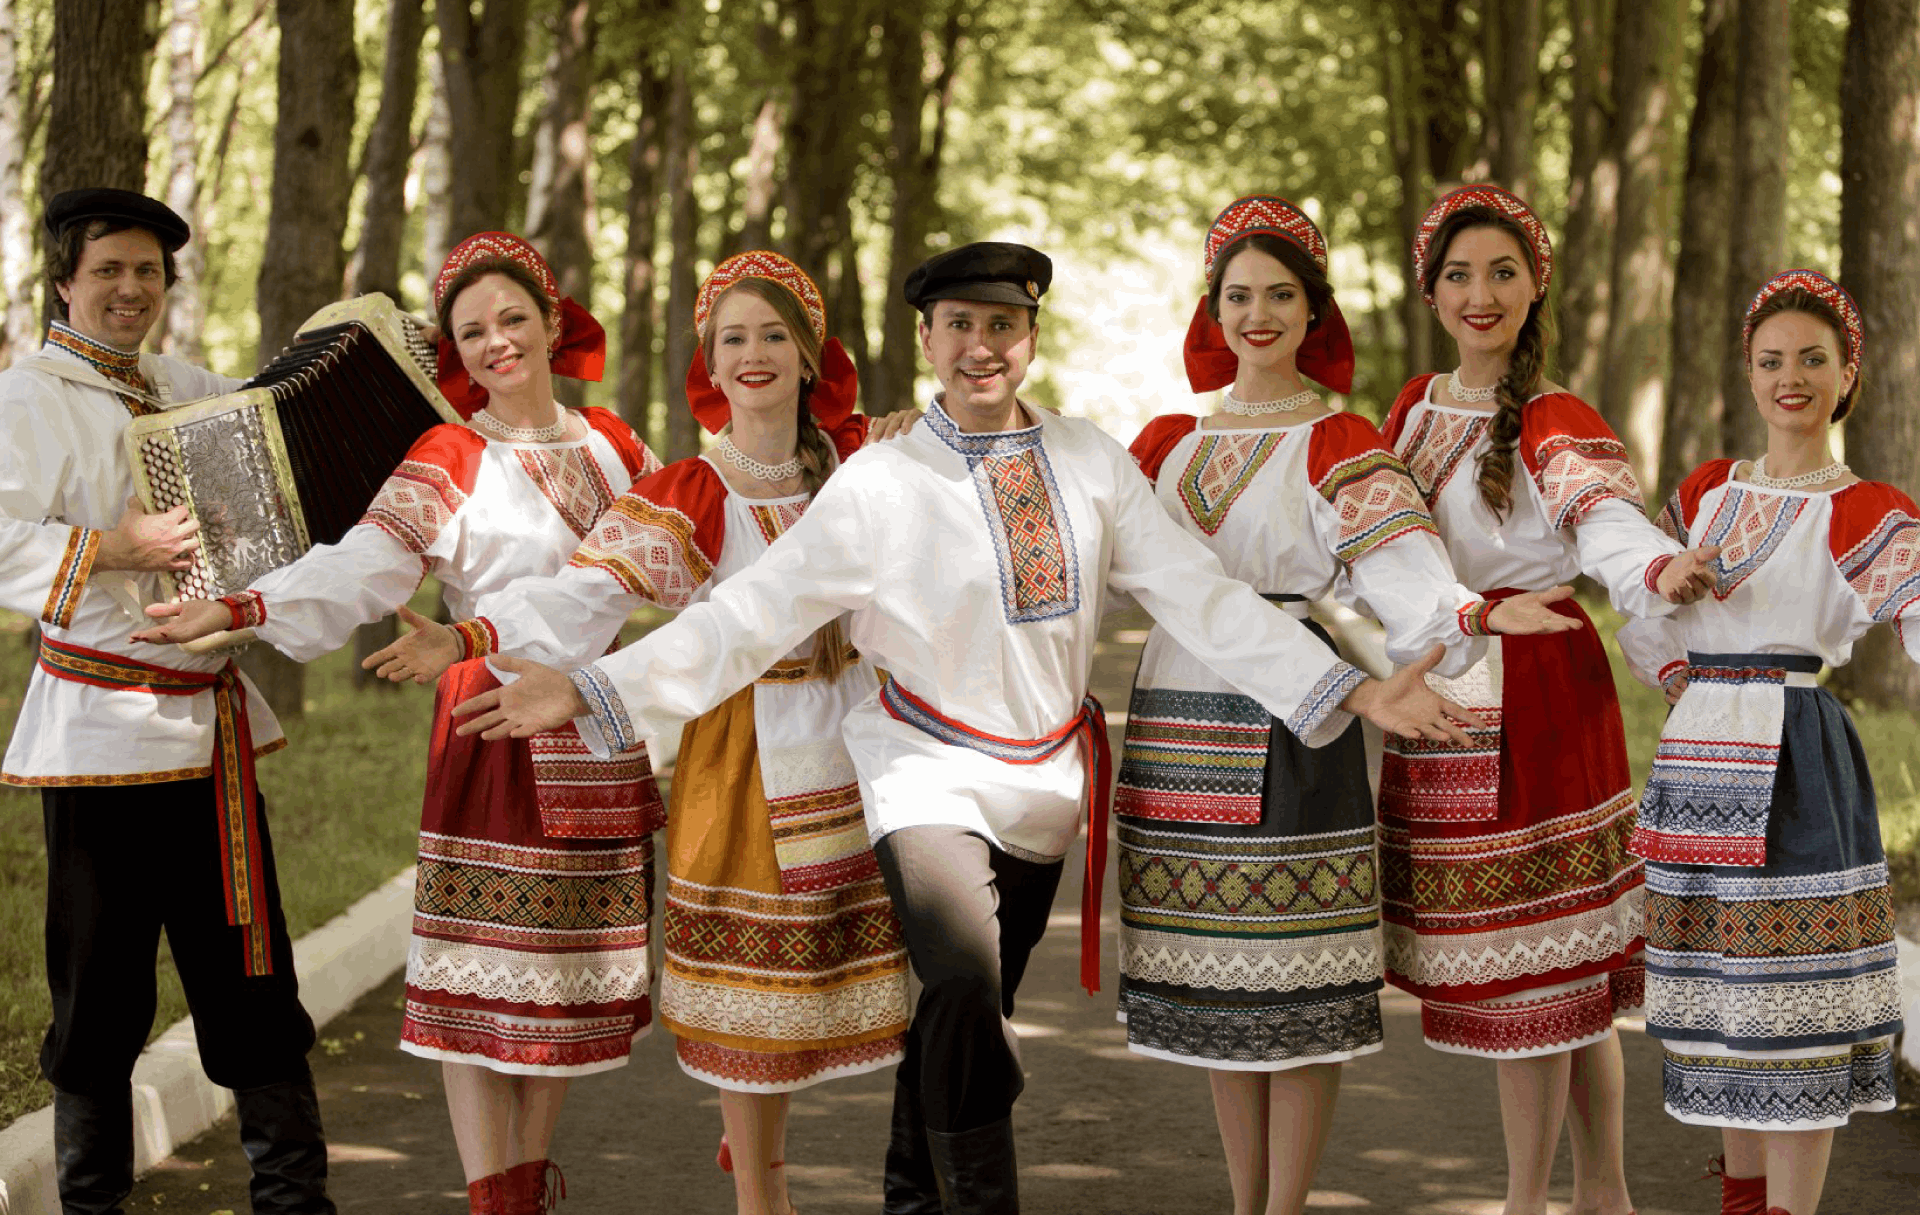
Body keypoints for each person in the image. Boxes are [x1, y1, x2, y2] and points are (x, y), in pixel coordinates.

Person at [445, 240, 1492, 1215]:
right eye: (959, 325)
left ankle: (914, 1196)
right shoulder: (879, 479)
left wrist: (1356, 692)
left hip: (1044, 785)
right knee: (959, 982)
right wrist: (589, 689)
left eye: (1002, 325)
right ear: (927, 340)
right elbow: (748, 615)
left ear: (1030, 338)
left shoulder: (1091, 461)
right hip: (921, 771)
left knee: (965, 1020)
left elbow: (1201, 596)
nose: (980, 346)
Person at [362, 251, 915, 1215]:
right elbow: (585, 593)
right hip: (744, 748)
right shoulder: (691, 488)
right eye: (732, 337)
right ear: (709, 360)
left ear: (811, 354)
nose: (753, 353)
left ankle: (764, 1159)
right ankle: (761, 1196)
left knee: (822, 982)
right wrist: (467, 635)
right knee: (749, 994)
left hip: (856, 742)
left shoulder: (863, 465)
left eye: (773, 334)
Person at [135, 231, 664, 1215]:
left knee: (560, 989)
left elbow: (665, 558)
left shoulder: (617, 446)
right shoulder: (449, 452)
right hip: (491, 725)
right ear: (455, 351)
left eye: (513, 318)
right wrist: (243, 606)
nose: (498, 342)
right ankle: (494, 1197)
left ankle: (525, 1187)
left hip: (593, 725)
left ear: (553, 322)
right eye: (473, 331)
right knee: (480, 991)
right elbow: (367, 561)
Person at [1119, 195, 1585, 1215]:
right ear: (1212, 310)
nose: (1259, 315)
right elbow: (1082, 546)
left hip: (1296, 717)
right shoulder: (1161, 443)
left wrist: (1474, 614)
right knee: (1216, 991)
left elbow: (1402, 565)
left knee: (1292, 985)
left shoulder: (1340, 439)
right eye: (1240, 296)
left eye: (1282, 295)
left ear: (1313, 311)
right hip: (1175, 717)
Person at [1375, 184, 1720, 1215]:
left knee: (1540, 975)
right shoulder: (1412, 408)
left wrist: (1656, 569)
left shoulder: (1555, 415)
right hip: (1451, 681)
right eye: (1459, 275)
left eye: (1502, 272)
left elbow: (1602, 519)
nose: (1480, 294)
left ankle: (1535, 1201)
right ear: (1431, 291)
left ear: (1535, 288)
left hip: (1540, 686)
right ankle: (1603, 1193)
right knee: (1552, 974)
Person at [0, 188, 335, 1214]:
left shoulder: (187, 386)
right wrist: (115, 547)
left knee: (252, 977)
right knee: (99, 994)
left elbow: (281, 453)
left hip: (210, 731)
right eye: (108, 269)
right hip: (98, 741)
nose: (130, 288)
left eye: (147, 271)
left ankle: (297, 1206)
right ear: (65, 282)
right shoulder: (26, 398)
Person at [1617, 270, 1910, 1215]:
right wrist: (1682, 641)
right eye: (1773, 359)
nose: (1792, 378)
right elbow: (1641, 620)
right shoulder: (1706, 490)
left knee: (1795, 1017)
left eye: (1813, 360)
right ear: (1748, 372)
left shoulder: (1865, 508)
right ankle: (1744, 1204)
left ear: (1847, 375)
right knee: (1727, 1009)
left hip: (1797, 755)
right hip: (1701, 754)